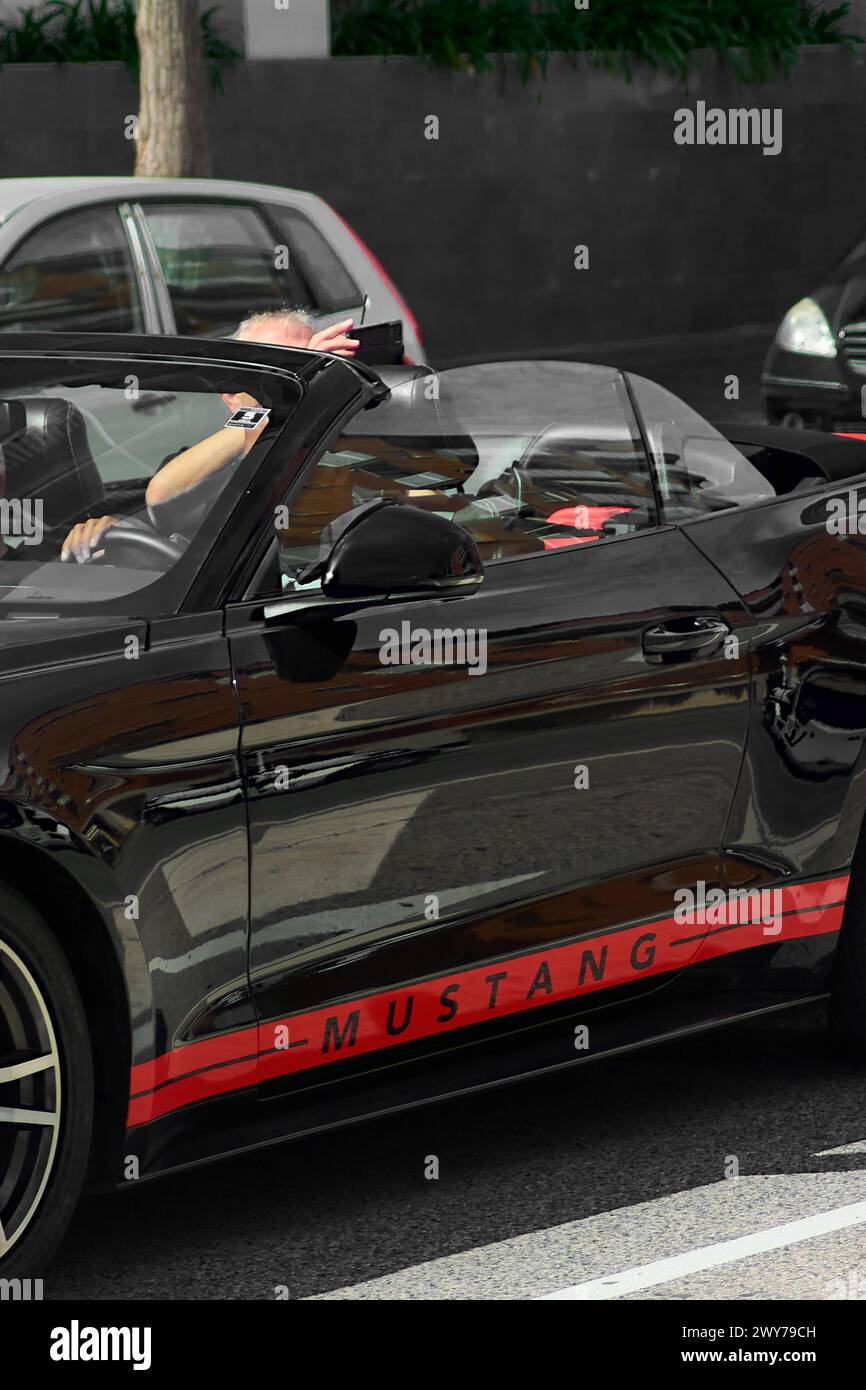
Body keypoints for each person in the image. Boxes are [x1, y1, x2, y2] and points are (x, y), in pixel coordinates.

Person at [60, 310, 360, 563]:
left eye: (301, 368)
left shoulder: (349, 458)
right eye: (274, 370)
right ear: (230, 396)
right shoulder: (211, 473)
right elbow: (162, 497)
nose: (293, 382)